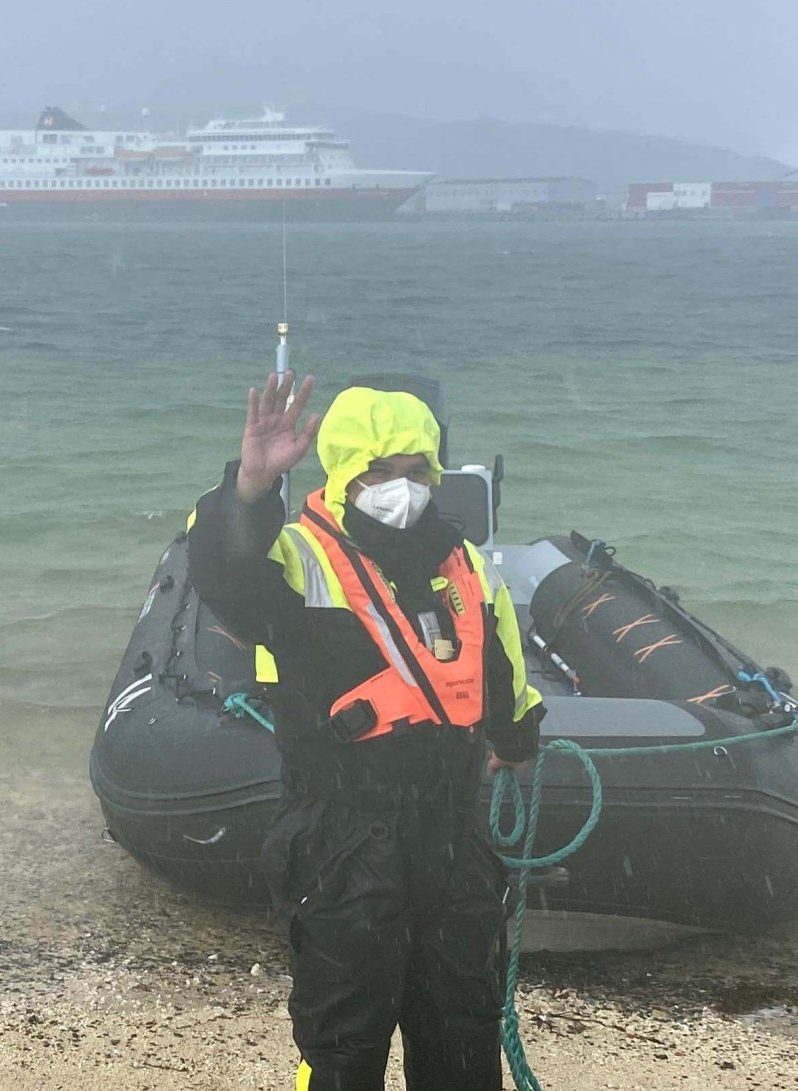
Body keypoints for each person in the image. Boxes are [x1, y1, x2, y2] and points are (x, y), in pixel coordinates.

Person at [188, 371, 544, 1091]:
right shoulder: (298, 559)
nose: (399, 487)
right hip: (342, 844)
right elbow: (223, 570)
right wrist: (251, 488)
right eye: (378, 471)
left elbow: (500, 667)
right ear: (344, 474)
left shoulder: (467, 567)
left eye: (415, 470)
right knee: (344, 1047)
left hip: (450, 842)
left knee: (462, 1036)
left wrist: (514, 742)